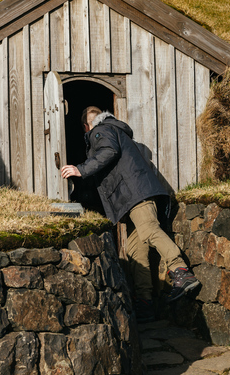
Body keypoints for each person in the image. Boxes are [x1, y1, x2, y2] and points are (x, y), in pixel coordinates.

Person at [60, 106, 200, 322]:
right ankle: (145, 302)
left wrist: (81, 169)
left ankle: (180, 271)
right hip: (132, 199)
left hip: (137, 196)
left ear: (86, 127)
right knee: (136, 251)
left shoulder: (101, 131)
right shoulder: (115, 130)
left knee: (149, 230)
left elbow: (108, 151)